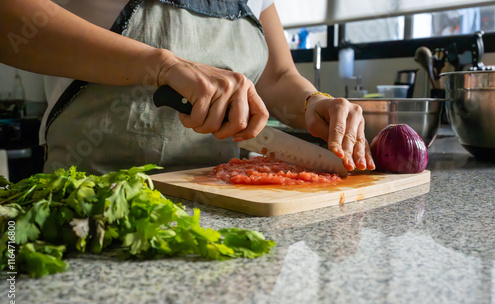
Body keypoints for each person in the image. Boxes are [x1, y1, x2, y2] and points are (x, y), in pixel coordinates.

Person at [0, 0, 375, 175]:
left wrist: (312, 102)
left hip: (223, 203)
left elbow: (277, 77)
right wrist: (162, 65)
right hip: (95, 203)